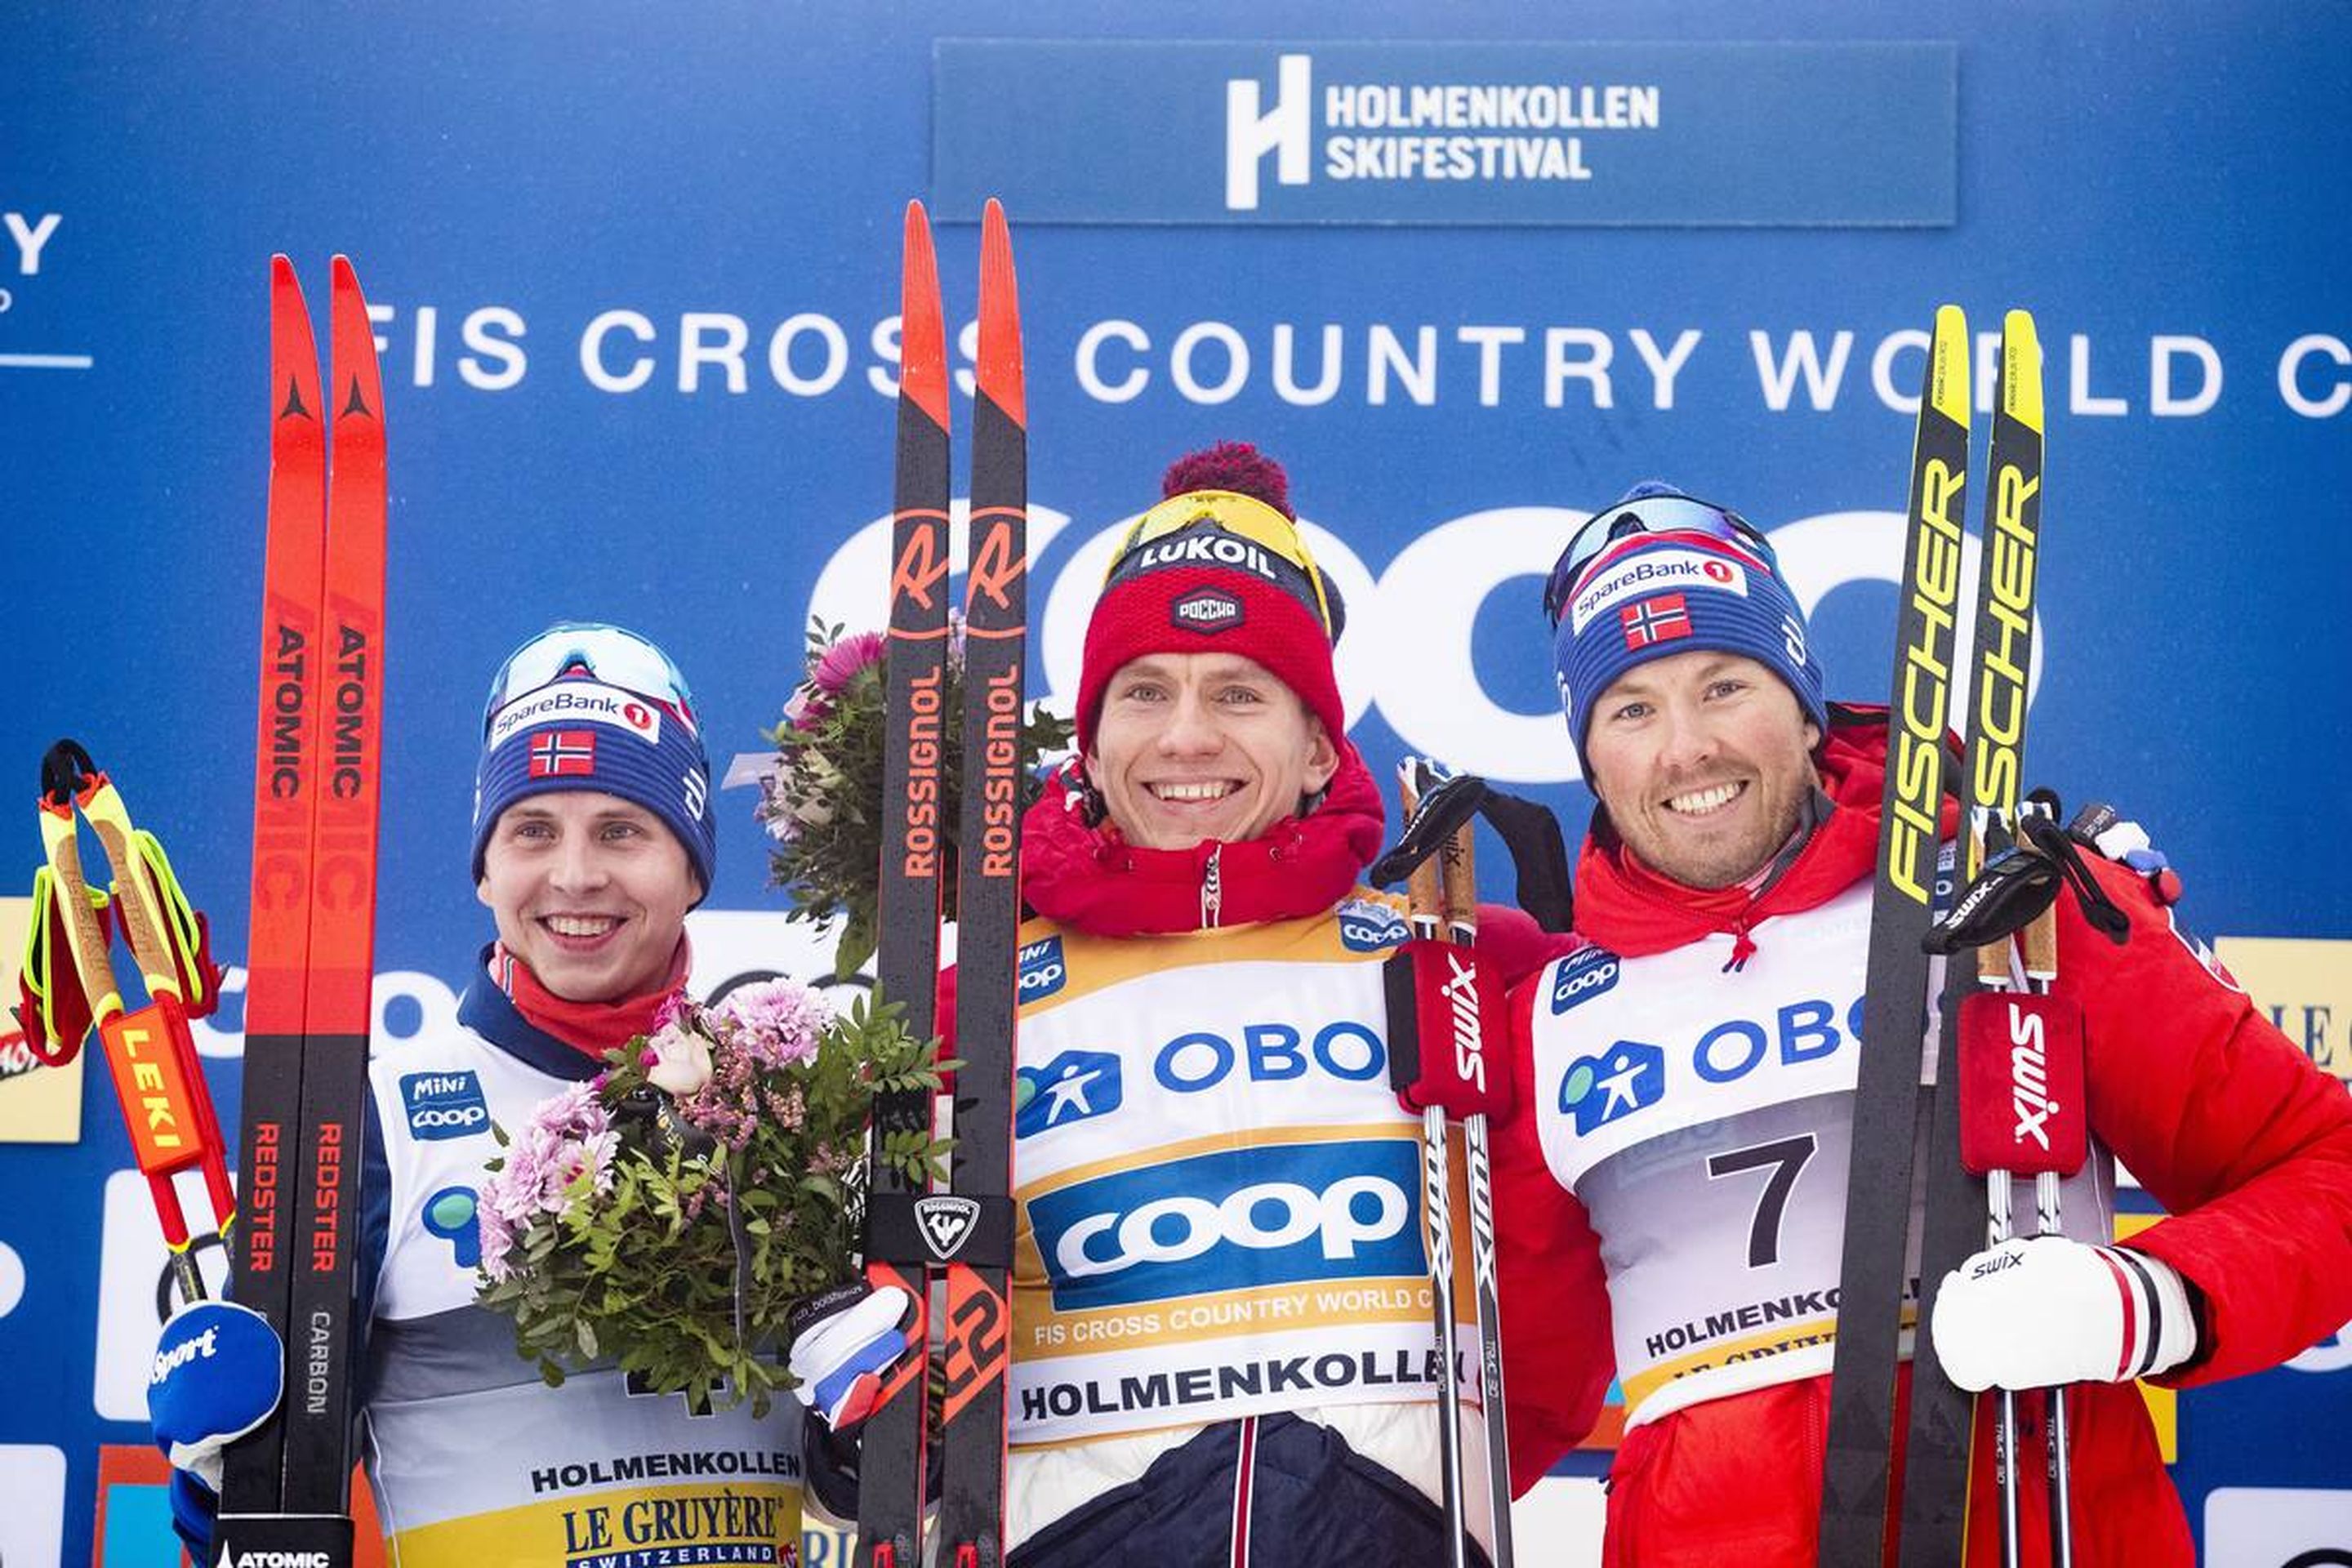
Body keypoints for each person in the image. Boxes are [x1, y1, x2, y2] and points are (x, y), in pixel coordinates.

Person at [1494, 483, 2352, 1566]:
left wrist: (2145, 1300)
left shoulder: (2016, 904)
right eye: (1631, 710)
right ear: (1591, 758)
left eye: (1724, 686)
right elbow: (1508, 1396)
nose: (1686, 748)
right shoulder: (1549, 1020)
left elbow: (2324, 1166)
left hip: (2030, 1522)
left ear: (1805, 706)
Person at [794, 443, 1605, 1566]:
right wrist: (869, 1434)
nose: (1186, 737)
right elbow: (900, 1375)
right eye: (1145, 692)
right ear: (1089, 737)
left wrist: (1386, 1502)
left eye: (1238, 693)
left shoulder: (1466, 969)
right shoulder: (958, 1011)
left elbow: (1561, 1328)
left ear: (1318, 745)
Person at [150, 622, 808, 1566]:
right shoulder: (373, 1123)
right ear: (486, 866)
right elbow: (255, 1529)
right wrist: (217, 1461)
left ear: (693, 864)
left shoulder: (784, 1106)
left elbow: (869, 1474)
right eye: (532, 830)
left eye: (622, 829)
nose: (576, 876)